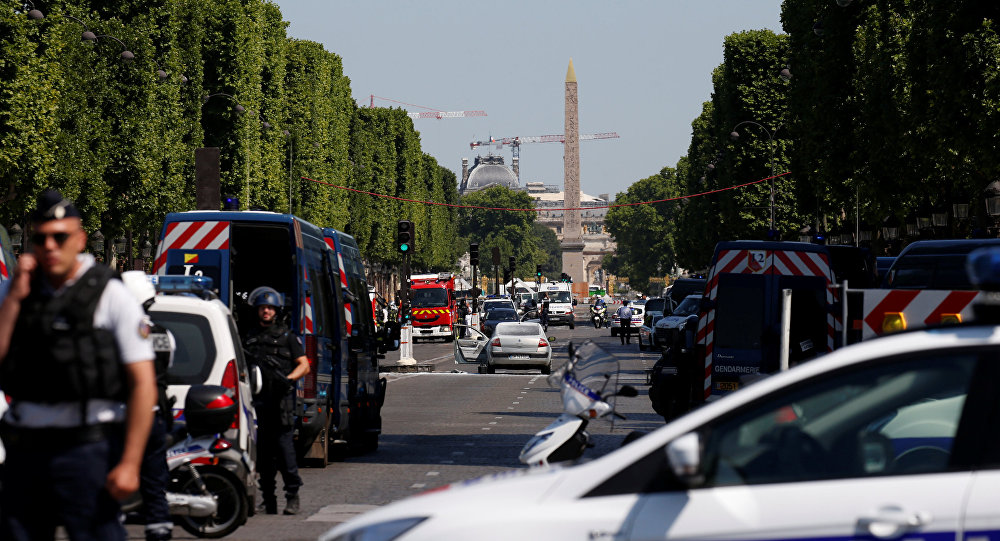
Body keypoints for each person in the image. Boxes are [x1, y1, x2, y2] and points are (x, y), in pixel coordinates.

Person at [0, 189, 157, 541]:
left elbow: (142, 382)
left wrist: (131, 463)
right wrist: (14, 297)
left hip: (86, 449)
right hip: (25, 449)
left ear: (81, 239)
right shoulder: (19, 291)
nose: (51, 246)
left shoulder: (108, 292)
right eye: (41, 238)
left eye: (61, 237)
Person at [243, 287, 310, 515]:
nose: (266, 312)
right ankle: (268, 499)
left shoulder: (287, 337)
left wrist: (289, 379)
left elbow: (304, 364)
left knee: (285, 454)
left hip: (280, 403)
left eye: (270, 308)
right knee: (263, 457)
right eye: (263, 308)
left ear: (276, 310)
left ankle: (293, 496)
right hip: (257, 404)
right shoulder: (249, 337)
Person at [122, 271, 176, 541]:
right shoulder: (163, 334)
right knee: (155, 481)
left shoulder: (121, 334)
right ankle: (159, 527)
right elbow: (168, 369)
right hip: (157, 412)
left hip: (127, 414)